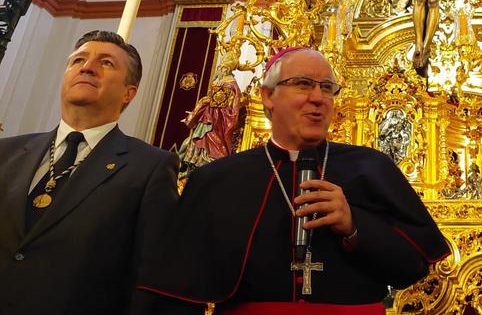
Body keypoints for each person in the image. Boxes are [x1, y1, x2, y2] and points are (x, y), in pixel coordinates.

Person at [138, 47, 449, 314]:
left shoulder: (371, 167)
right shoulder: (218, 178)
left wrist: (355, 226)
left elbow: (415, 267)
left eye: (327, 88)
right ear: (268, 96)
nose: (318, 97)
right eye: (303, 84)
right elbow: (176, 287)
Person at [0, 30, 179, 314]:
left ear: (128, 93)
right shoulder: (6, 153)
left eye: (106, 63)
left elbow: (151, 274)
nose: (87, 67)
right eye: (78, 60)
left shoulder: (149, 168)